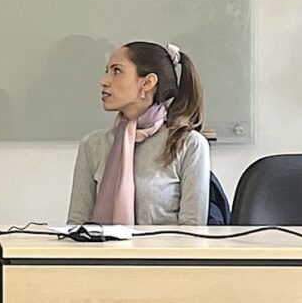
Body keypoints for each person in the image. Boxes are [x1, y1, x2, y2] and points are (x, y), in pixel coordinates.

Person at [67, 41, 209, 226]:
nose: (104, 81)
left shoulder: (189, 144)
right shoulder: (93, 145)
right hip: (101, 254)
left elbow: (193, 232)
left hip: (162, 254)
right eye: (107, 71)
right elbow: (77, 225)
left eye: (117, 71)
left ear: (147, 83)